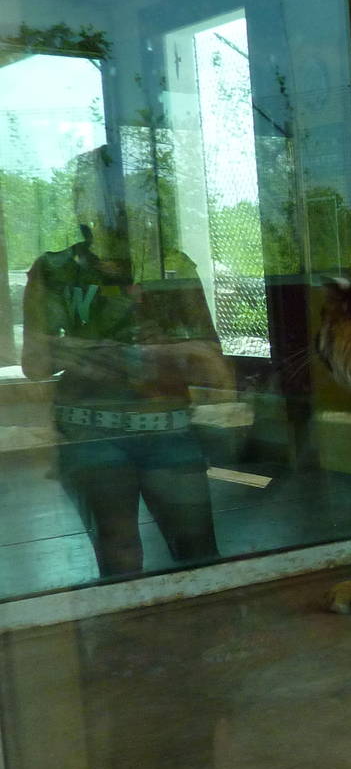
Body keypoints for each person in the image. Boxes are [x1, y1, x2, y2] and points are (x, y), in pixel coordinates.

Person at [21, 145, 232, 578]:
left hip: (166, 427)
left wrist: (157, 351)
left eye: (124, 196)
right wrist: (89, 352)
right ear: (82, 203)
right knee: (119, 558)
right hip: (90, 432)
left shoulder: (170, 266)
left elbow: (212, 360)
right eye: (100, 196)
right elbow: (34, 363)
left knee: (198, 555)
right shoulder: (55, 270)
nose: (112, 208)